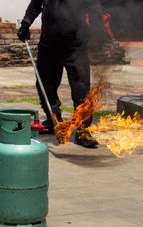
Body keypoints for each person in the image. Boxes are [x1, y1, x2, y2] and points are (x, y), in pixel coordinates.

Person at [17, 0, 106, 148]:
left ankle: (83, 130)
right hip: (48, 45)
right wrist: (26, 24)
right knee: (45, 86)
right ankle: (53, 120)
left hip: (75, 47)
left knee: (81, 90)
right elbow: (35, 4)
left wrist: (96, 35)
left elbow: (95, 11)